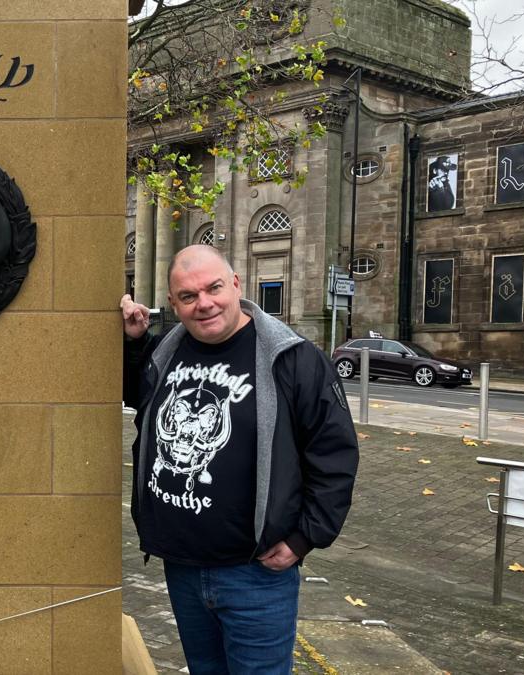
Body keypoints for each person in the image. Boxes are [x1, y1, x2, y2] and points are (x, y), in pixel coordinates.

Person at [120, 245, 358, 674]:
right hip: (182, 565)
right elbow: (138, 396)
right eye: (188, 296)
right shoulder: (165, 354)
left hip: (256, 575)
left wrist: (305, 537)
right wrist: (134, 343)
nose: (204, 303)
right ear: (173, 303)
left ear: (235, 284)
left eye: (213, 288)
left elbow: (333, 454)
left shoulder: (293, 359)